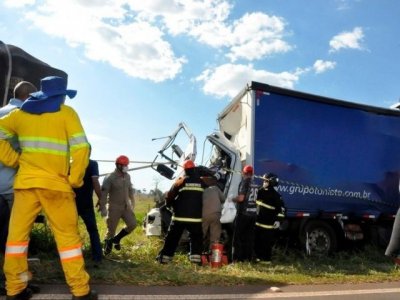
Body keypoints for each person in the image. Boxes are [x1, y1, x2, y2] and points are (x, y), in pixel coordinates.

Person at [0, 76, 97, 299]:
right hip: (56, 186)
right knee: (68, 240)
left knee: (16, 240)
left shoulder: (20, 115)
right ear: (60, 96)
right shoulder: (67, 114)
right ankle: (80, 291)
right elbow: (82, 148)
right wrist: (75, 179)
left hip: (25, 186)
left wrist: (14, 159)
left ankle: (15, 288)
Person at [0, 81, 37, 297]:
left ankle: (15, 282)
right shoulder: (23, 116)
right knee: (17, 241)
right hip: (14, 187)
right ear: (29, 96)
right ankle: (19, 284)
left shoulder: (2, 112)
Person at [157, 160, 207, 264]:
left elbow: (169, 196)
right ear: (194, 169)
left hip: (179, 217)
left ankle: (165, 259)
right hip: (195, 218)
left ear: (184, 170)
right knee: (196, 238)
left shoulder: (180, 181)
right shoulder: (202, 182)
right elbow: (212, 184)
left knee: (172, 238)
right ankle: (195, 260)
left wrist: (169, 205)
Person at [100, 155, 137, 255]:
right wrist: (102, 207)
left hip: (125, 206)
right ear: (118, 165)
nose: (126, 167)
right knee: (111, 230)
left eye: (127, 165)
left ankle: (117, 239)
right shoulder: (110, 177)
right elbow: (103, 193)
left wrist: (132, 202)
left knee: (133, 224)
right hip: (113, 207)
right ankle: (106, 251)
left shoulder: (127, 176)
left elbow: (130, 190)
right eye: (124, 165)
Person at [74, 145, 102, 265]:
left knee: (71, 231)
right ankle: (97, 257)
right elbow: (95, 182)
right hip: (86, 203)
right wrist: (101, 198)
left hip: (71, 203)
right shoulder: (92, 164)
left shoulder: (71, 164)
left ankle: (73, 257)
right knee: (92, 230)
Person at [254, 173, 285, 262]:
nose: (263, 182)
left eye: (265, 181)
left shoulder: (276, 196)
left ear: (271, 182)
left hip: (268, 226)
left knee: (266, 244)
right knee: (257, 242)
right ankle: (258, 259)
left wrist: (279, 220)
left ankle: (266, 261)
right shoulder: (260, 191)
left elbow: (282, 210)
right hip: (258, 223)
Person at [232, 165, 257, 262]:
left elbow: (241, 198)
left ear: (243, 173)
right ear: (252, 173)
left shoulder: (244, 182)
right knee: (249, 238)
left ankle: (237, 259)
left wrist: (232, 199)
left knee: (238, 237)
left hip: (243, 213)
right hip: (253, 214)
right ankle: (248, 258)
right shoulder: (254, 183)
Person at [202, 181, 225, 252]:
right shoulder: (215, 188)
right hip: (216, 215)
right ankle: (212, 254)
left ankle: (197, 252)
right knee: (215, 237)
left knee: (201, 234)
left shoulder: (201, 191)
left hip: (204, 215)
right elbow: (223, 199)